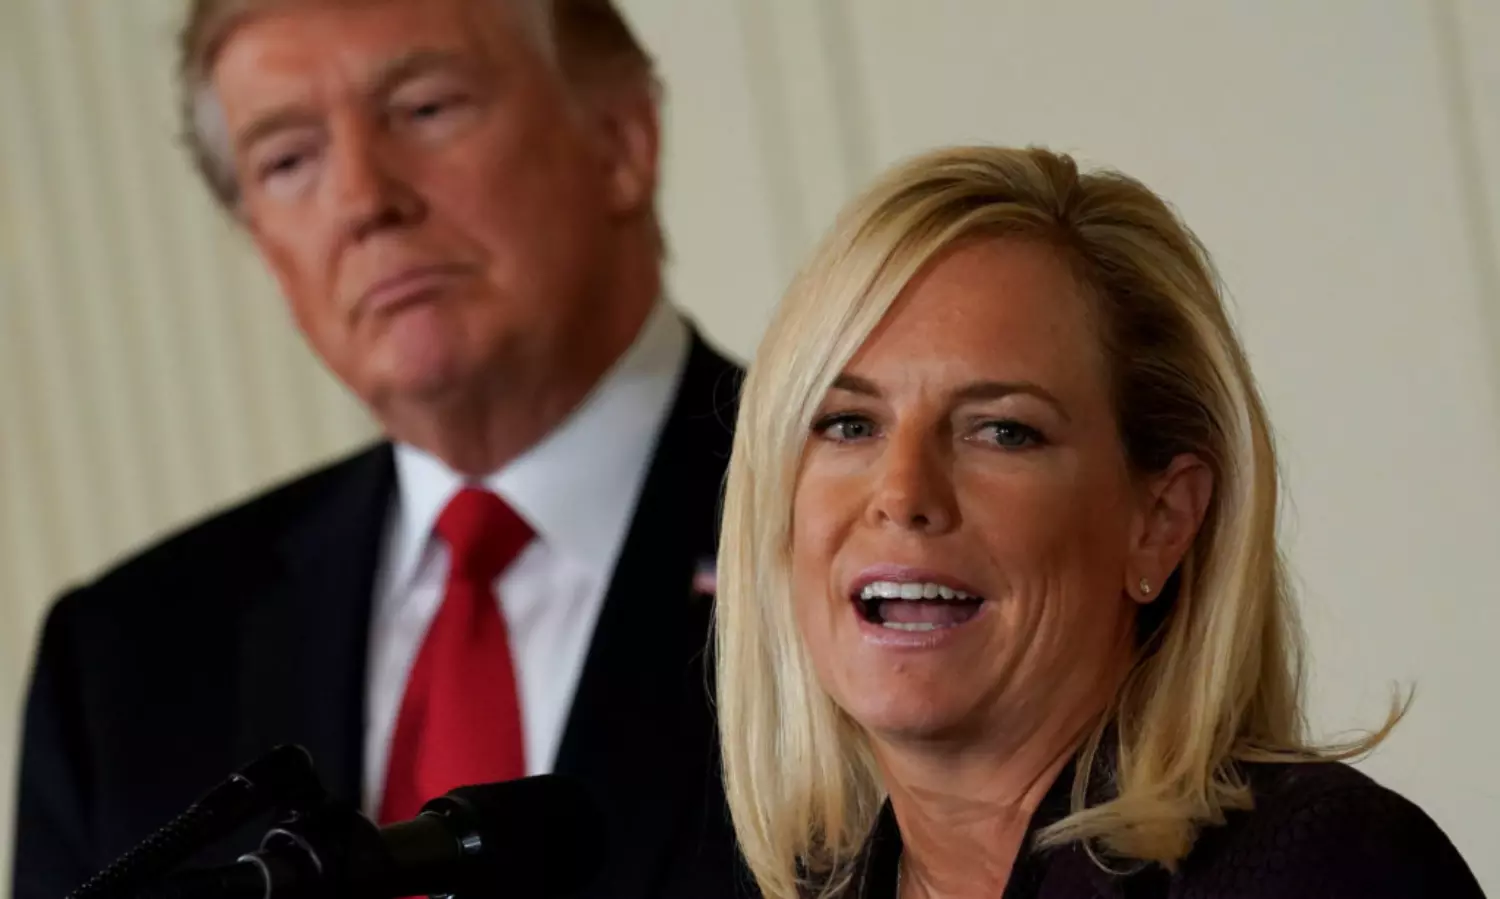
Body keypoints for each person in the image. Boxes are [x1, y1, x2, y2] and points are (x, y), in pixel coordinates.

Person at [13, 2, 746, 898]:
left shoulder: (851, 529)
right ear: (265, 246)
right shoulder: (123, 665)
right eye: (289, 160)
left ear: (620, 142)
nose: (363, 200)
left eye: (426, 109)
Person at [713, 145, 1486, 898]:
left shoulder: (1322, 867)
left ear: (1161, 520)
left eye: (1003, 430)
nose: (904, 492)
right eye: (848, 424)